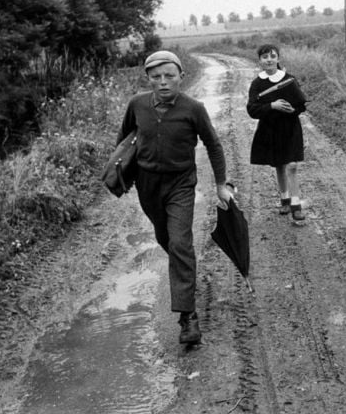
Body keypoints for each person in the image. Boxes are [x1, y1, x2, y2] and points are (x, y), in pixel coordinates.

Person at [116, 50, 233, 345]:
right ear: (148, 79)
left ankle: (187, 317)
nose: (163, 82)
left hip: (181, 183)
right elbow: (125, 140)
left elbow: (214, 145)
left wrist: (221, 184)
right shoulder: (137, 105)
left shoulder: (193, 108)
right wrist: (120, 172)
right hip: (148, 184)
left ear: (181, 76)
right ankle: (186, 270)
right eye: (156, 77)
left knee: (180, 243)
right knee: (164, 238)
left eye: (170, 76)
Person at [247, 44, 308, 221]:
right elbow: (252, 109)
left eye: (272, 56)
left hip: (290, 128)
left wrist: (292, 110)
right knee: (279, 165)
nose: (269, 60)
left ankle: (296, 205)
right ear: (260, 61)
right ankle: (285, 200)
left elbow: (301, 104)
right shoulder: (257, 83)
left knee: (292, 165)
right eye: (265, 57)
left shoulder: (289, 79)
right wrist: (271, 106)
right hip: (270, 130)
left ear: (278, 59)